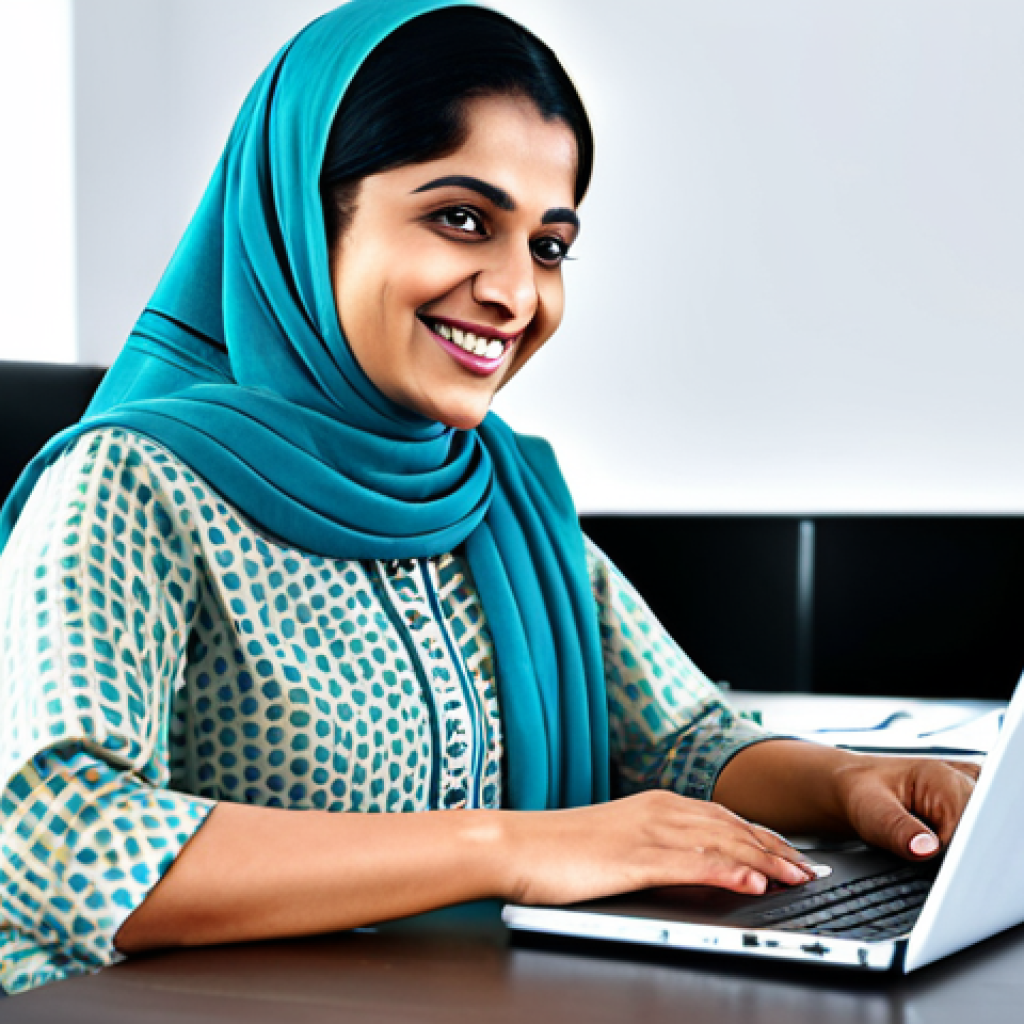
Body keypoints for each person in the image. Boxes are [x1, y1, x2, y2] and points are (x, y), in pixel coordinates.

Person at [0, 0, 978, 997]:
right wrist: (510, 847)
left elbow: (675, 736)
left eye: (548, 246)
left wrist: (846, 781)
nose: (515, 293)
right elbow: (59, 840)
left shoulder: (495, 494)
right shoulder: (128, 487)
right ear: (305, 213)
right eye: (461, 218)